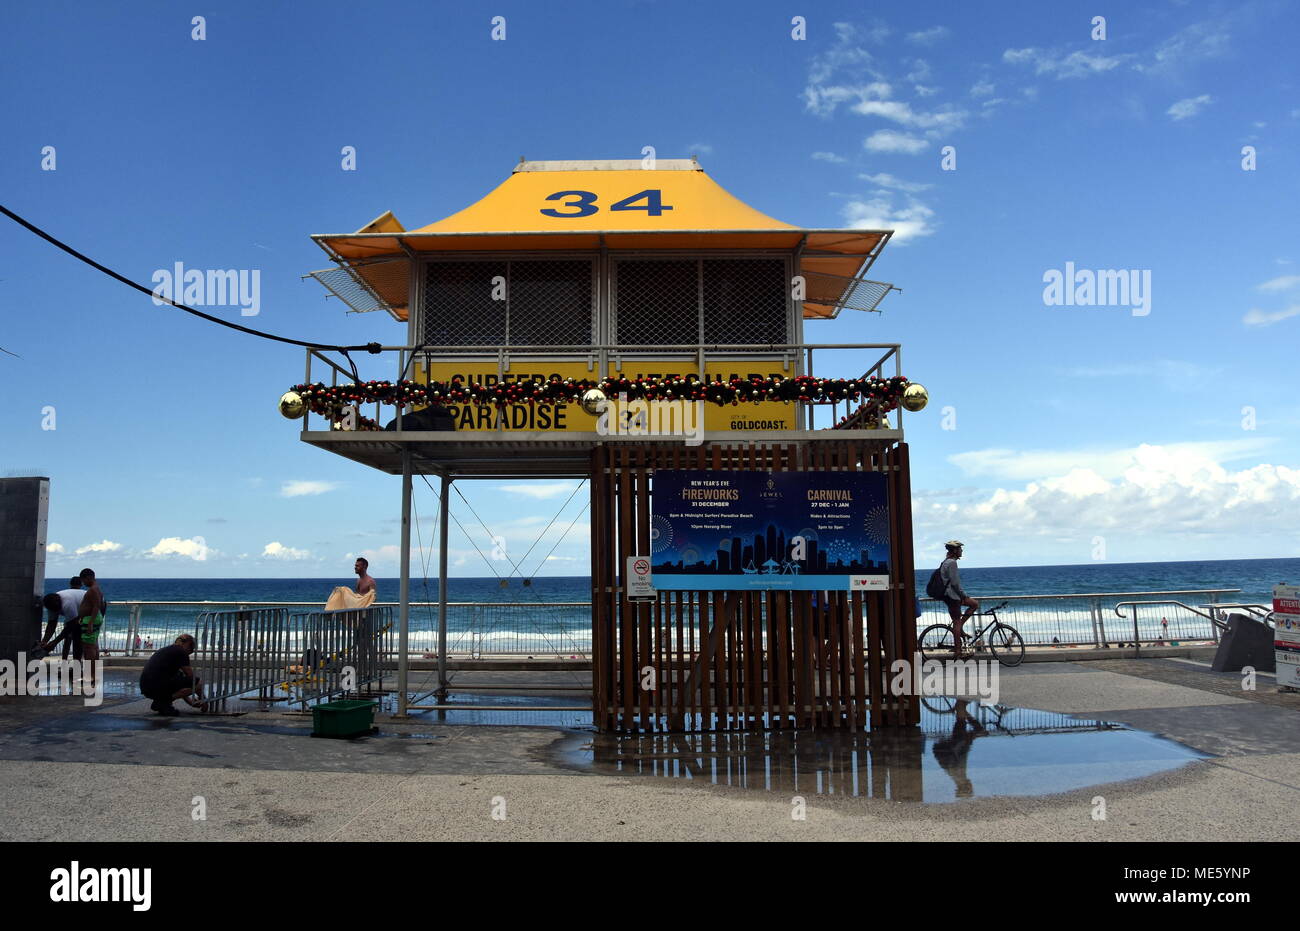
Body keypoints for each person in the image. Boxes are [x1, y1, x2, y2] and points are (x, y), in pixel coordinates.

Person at [139, 634, 204, 715]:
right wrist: (203, 700)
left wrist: (191, 702)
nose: (191, 652)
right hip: (157, 686)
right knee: (199, 682)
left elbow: (182, 685)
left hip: (146, 687)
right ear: (187, 643)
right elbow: (192, 679)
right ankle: (163, 702)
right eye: (192, 648)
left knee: (181, 680)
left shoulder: (167, 651)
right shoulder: (181, 652)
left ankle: (162, 703)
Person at [940, 541, 979, 656]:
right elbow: (955, 583)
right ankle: (958, 651)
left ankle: (960, 630)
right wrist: (963, 596)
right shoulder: (952, 563)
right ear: (955, 551)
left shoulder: (946, 562)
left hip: (949, 596)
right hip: (953, 597)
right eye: (960, 549)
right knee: (974, 605)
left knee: (970, 607)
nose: (962, 551)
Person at [74, 568, 105, 687]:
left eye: (83, 580)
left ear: (88, 577)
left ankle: (90, 676)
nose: (83, 583)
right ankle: (93, 675)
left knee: (89, 649)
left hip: (90, 619)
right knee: (93, 648)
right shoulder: (96, 588)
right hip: (92, 618)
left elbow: (97, 605)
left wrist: (91, 622)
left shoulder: (93, 590)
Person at [40, 585, 87, 661]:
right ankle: (76, 665)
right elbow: (52, 624)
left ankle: (79, 667)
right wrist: (45, 641)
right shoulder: (51, 605)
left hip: (96, 606)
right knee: (74, 636)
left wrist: (54, 642)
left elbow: (71, 625)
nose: (56, 611)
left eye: (57, 609)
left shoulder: (67, 603)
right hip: (79, 612)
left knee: (77, 637)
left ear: (60, 603)